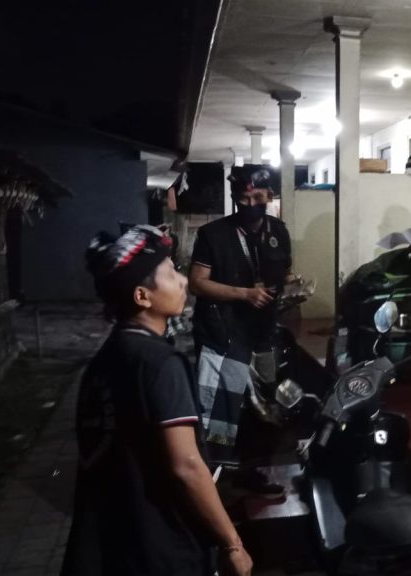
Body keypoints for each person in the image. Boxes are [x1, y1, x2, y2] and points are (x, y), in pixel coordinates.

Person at [62, 225, 252, 576]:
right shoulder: (160, 363)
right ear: (142, 296)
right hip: (162, 548)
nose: (183, 281)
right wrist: (232, 543)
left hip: (113, 545)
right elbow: (186, 467)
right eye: (170, 274)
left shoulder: (105, 360)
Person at [189, 165, 291, 497]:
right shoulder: (213, 235)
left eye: (257, 198)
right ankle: (211, 483)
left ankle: (252, 473)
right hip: (223, 335)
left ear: (269, 196)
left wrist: (291, 288)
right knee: (220, 412)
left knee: (262, 409)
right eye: (242, 199)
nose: (250, 205)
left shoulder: (278, 231)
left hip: (263, 335)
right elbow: (197, 284)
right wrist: (244, 294)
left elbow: (283, 274)